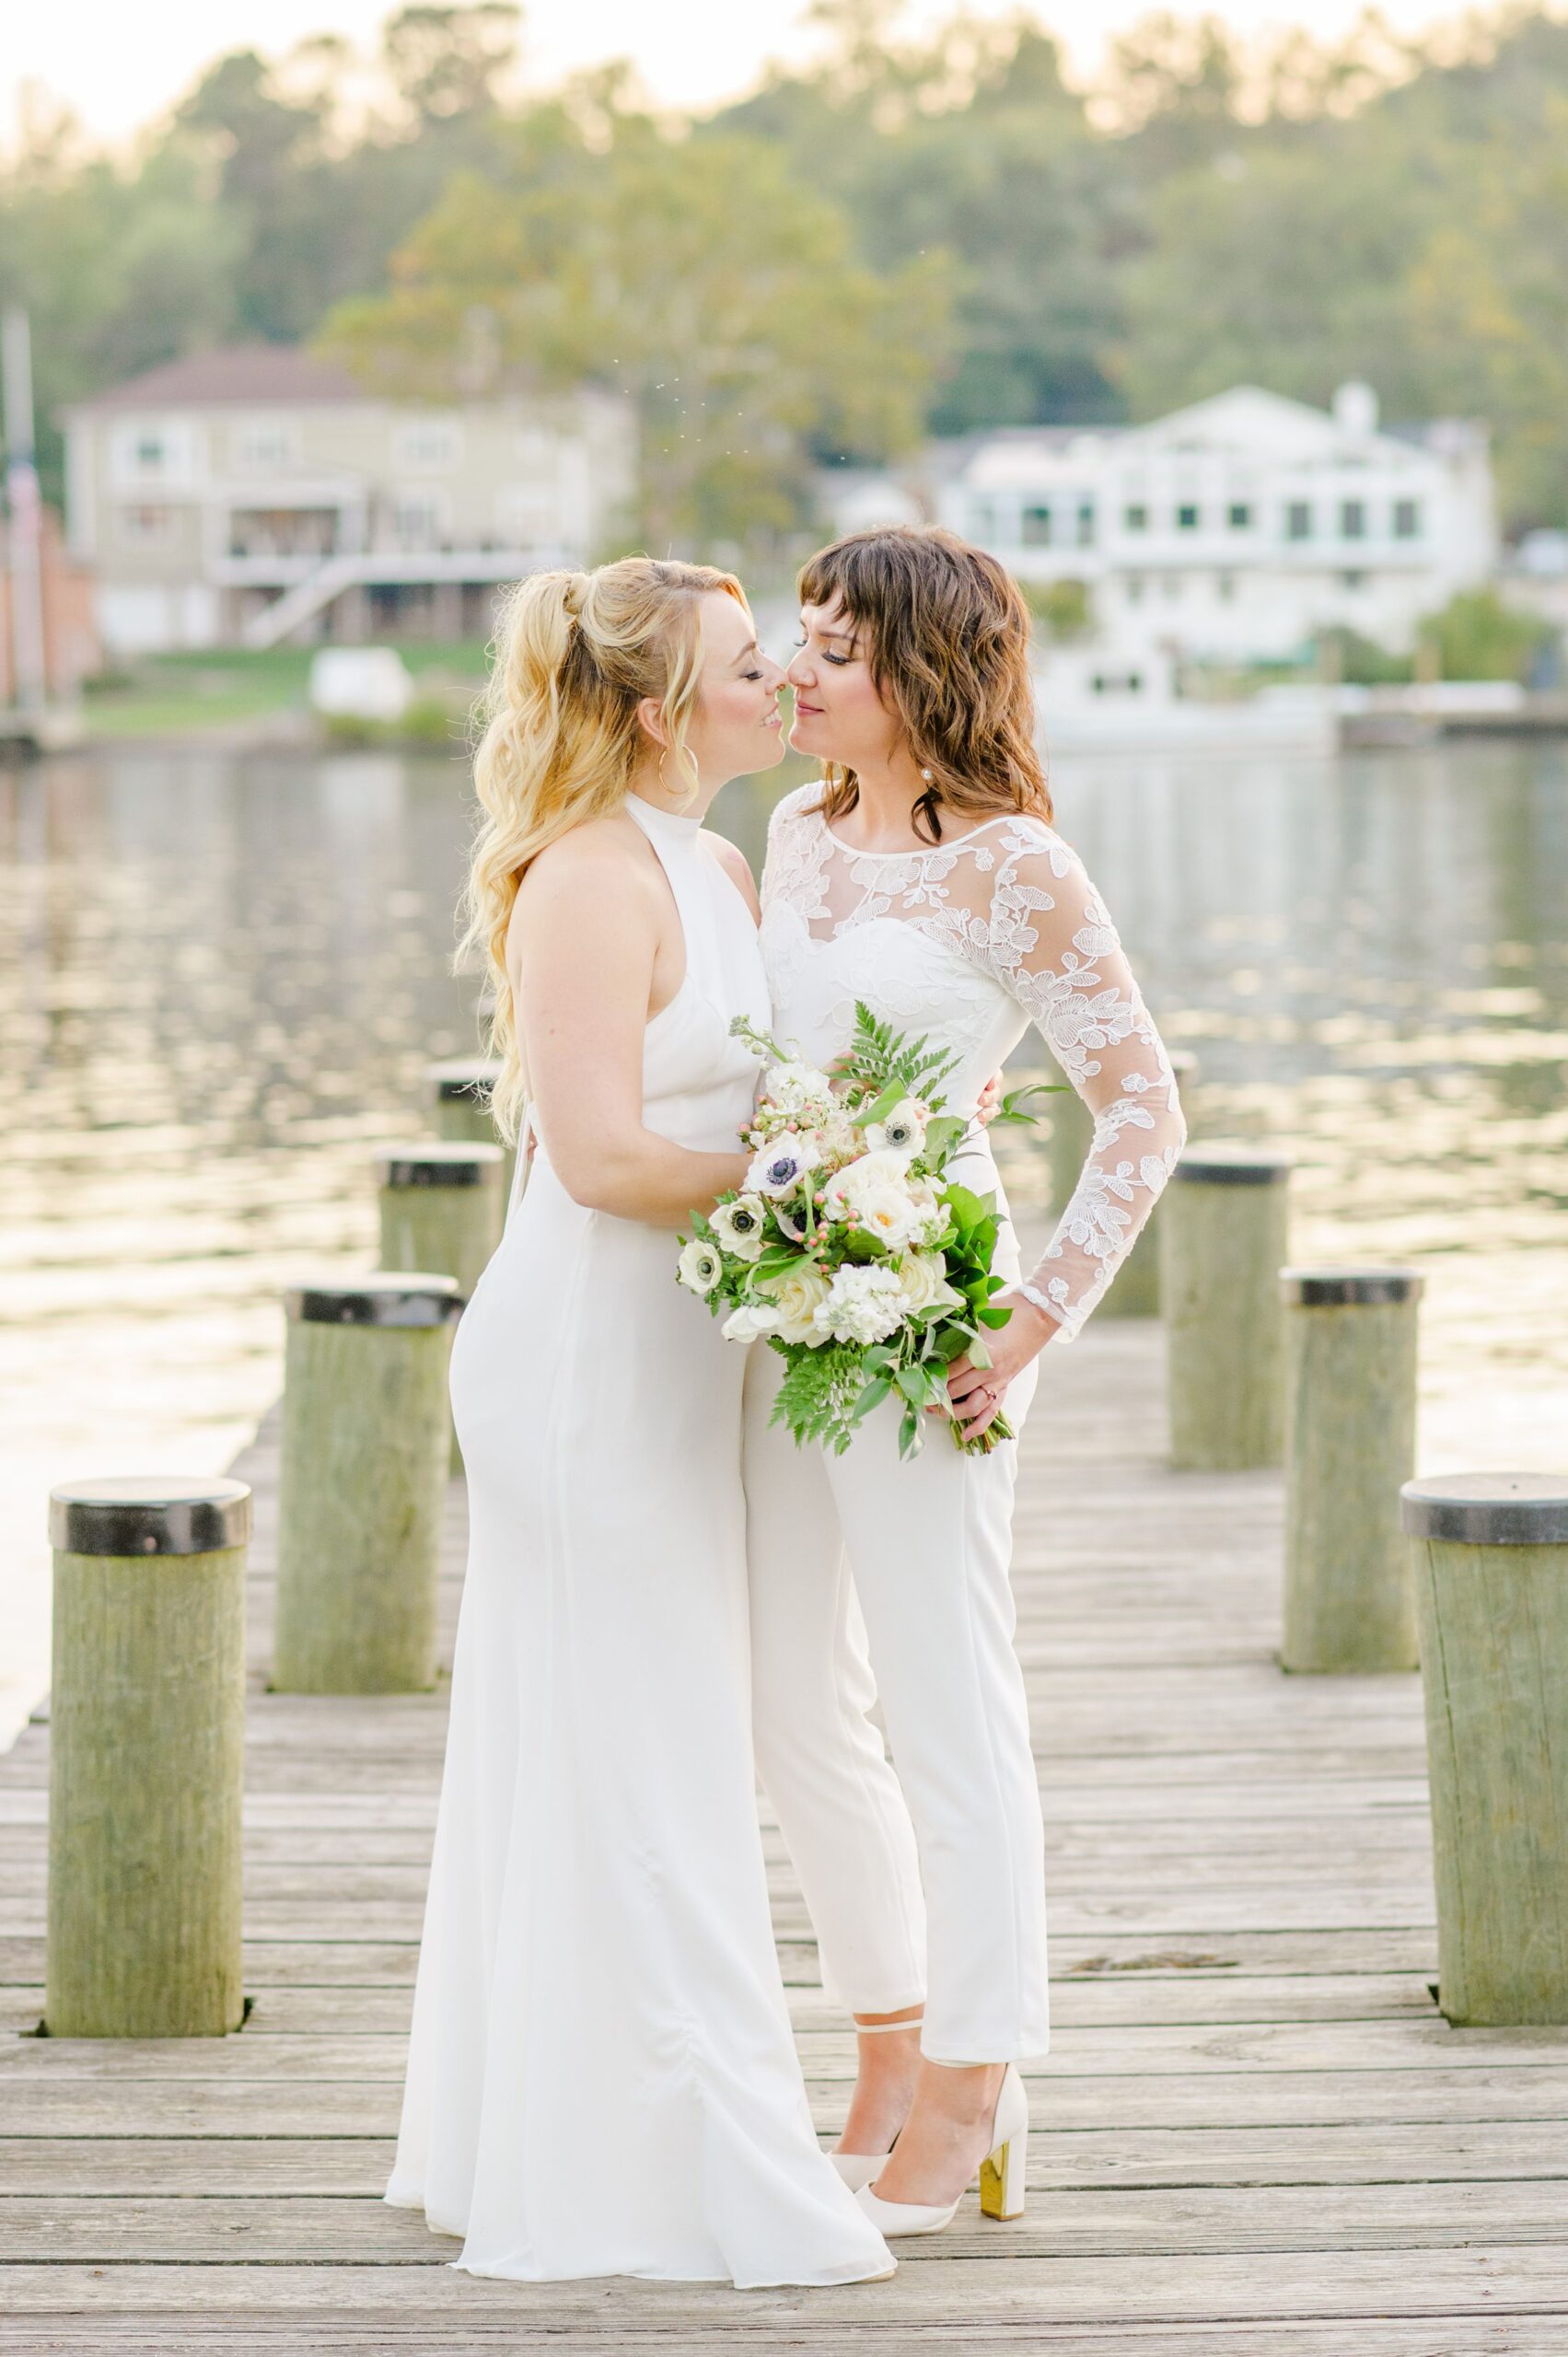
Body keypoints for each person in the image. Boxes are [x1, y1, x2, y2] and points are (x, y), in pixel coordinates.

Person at [386, 556, 893, 2288]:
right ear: (667, 711)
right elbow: (601, 1163)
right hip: (586, 1370)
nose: (789, 684)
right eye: (756, 666)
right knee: (647, 1743)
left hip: (680, 1373)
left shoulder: (725, 863)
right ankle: (687, 2155)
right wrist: (809, 1201)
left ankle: (563, 2128)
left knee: (638, 1736)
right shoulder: (587, 883)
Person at [743, 524, 1186, 2236]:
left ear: (924, 671)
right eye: (796, 640)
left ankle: (982, 2079)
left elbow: (1143, 1112)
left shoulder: (1018, 869)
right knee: (789, 1693)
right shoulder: (784, 830)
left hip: (936, 1327)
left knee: (945, 1702)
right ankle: (886, 2030)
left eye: (836, 650)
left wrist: (1031, 1326)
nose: (799, 671)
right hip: (777, 1308)